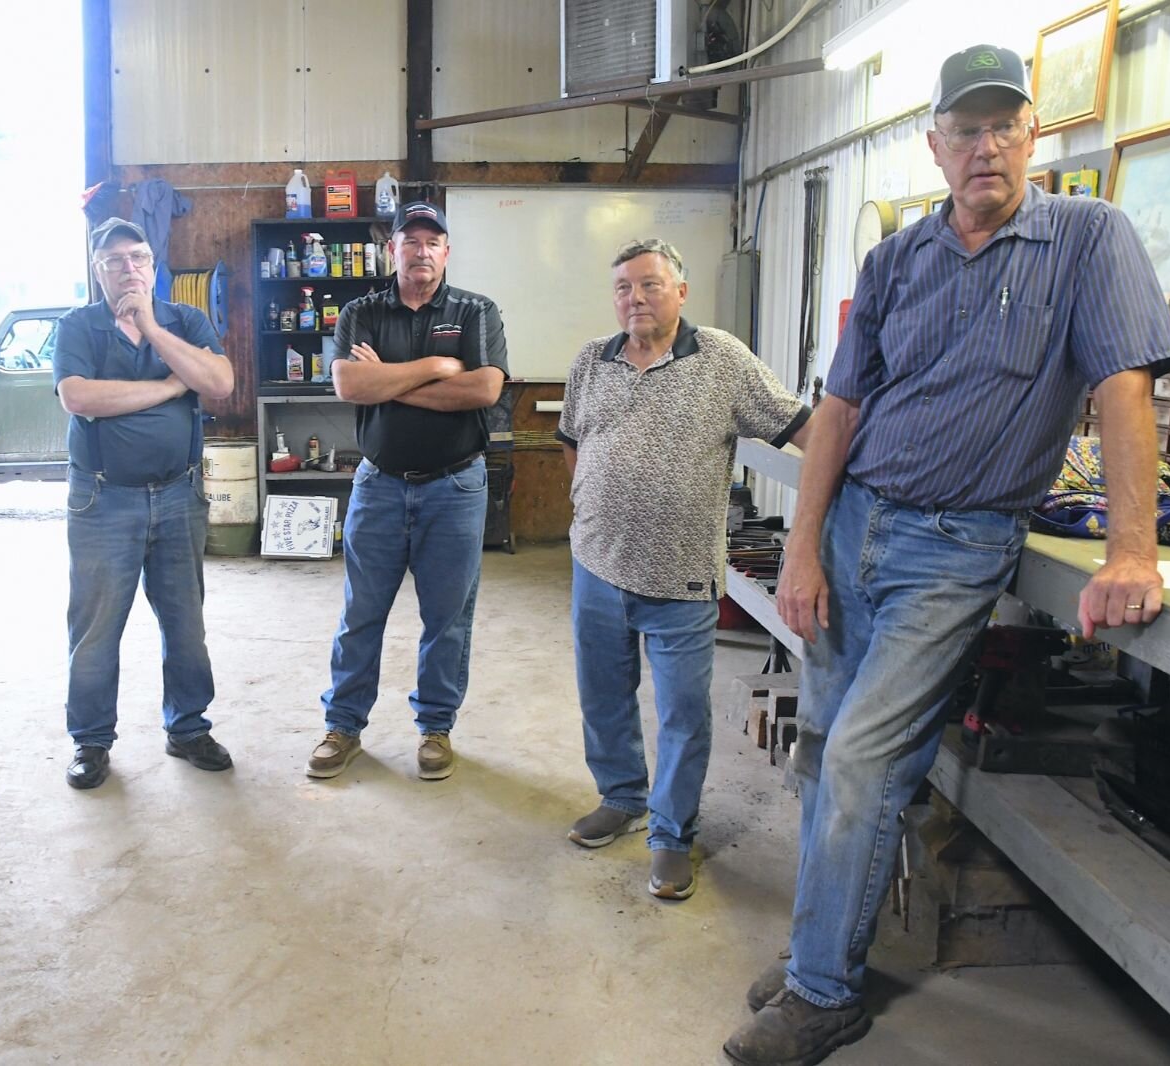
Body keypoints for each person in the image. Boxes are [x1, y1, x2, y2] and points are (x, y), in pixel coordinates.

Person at [723, 45, 1170, 1066]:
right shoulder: (895, 260)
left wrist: (1132, 549)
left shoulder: (1087, 240)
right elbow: (838, 410)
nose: (985, 148)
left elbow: (1120, 391)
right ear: (934, 146)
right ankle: (819, 945)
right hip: (855, 528)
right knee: (825, 754)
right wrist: (801, 548)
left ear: (1034, 135)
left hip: (957, 546)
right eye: (964, 130)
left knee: (859, 758)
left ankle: (823, 991)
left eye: (1003, 127)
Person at [557, 239, 811, 901]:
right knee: (604, 697)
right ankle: (621, 797)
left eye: (649, 285)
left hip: (682, 581)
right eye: (622, 288)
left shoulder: (722, 358)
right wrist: (592, 509)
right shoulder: (591, 360)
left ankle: (671, 834)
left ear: (681, 291)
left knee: (681, 713)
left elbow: (799, 426)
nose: (634, 298)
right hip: (597, 567)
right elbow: (572, 446)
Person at [305, 202, 509, 781]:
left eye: (433, 241)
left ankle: (435, 728)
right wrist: (437, 366)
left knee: (447, 618)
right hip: (380, 486)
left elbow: (484, 390)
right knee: (361, 614)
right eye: (410, 240)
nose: (421, 251)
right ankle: (343, 726)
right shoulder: (362, 312)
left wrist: (389, 382)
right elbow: (348, 383)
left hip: (456, 485)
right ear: (391, 250)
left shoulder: (476, 311)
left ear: (447, 252)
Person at [53, 217, 236, 790]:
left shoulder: (184, 320)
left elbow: (221, 382)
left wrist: (154, 330)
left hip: (179, 495)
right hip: (104, 500)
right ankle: (91, 741)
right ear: (97, 269)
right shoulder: (78, 326)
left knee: (185, 623)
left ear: (153, 266)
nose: (127, 268)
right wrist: (166, 387)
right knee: (96, 627)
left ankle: (188, 728)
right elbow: (79, 396)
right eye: (114, 260)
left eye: (137, 257)